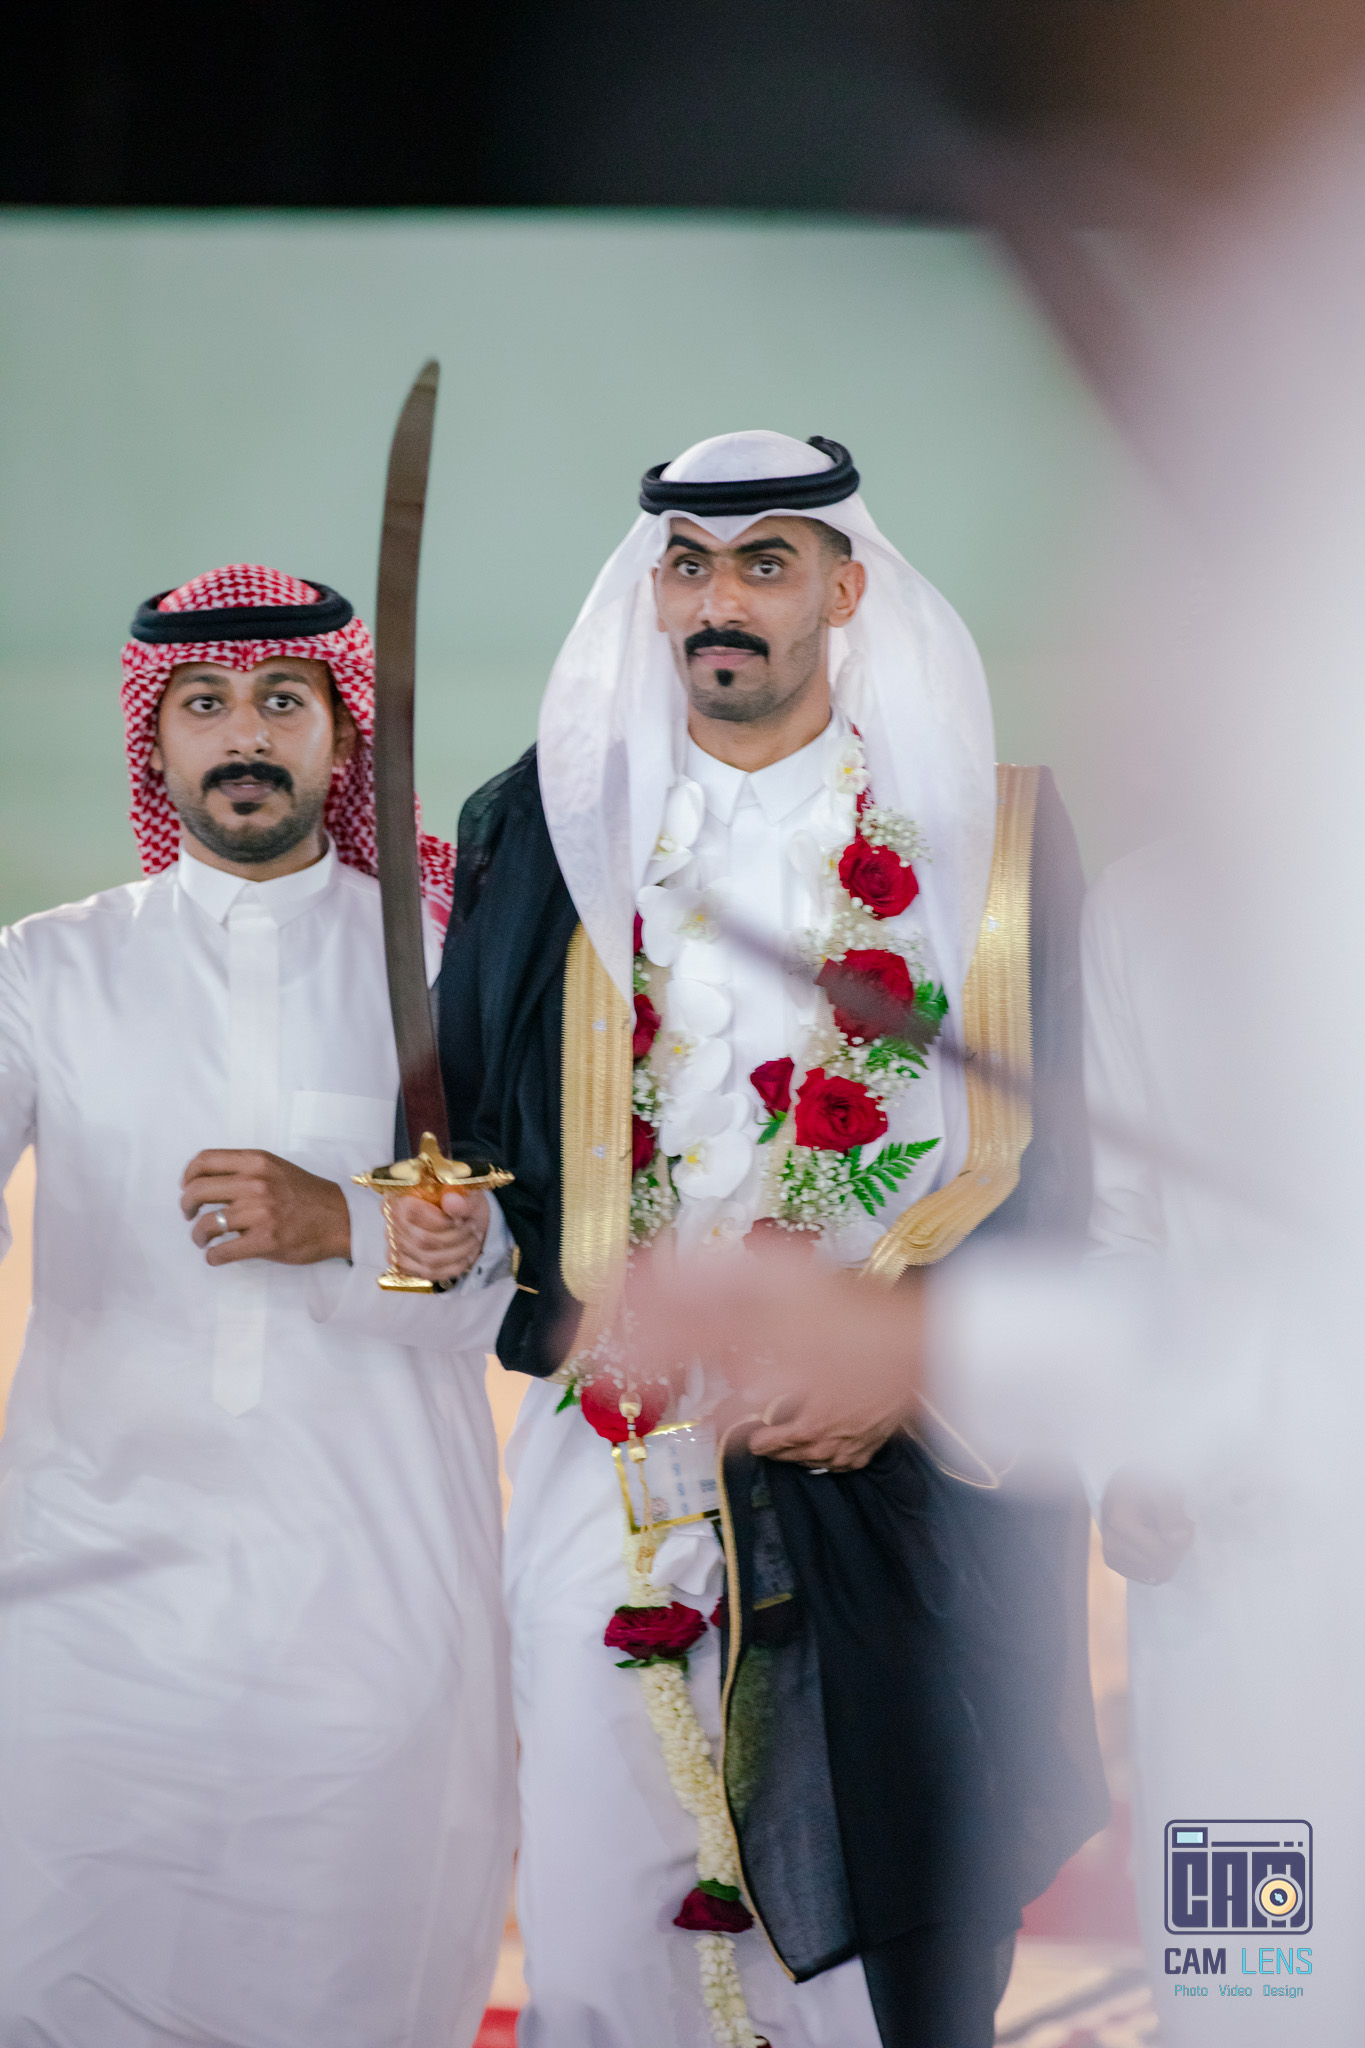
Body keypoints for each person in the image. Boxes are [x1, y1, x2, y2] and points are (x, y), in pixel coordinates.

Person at [392, 432, 1107, 2048]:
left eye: (766, 564)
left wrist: (910, 1370)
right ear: (653, 595)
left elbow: (1059, 1166)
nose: (721, 601)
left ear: (843, 591)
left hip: (895, 1453)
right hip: (614, 1454)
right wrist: (455, 1227)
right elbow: (479, 1133)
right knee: (599, 1920)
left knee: (878, 1933)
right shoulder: (549, 834)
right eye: (690, 567)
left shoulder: (987, 843)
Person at [0, 564, 516, 2048]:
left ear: (342, 735)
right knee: (53, 1981)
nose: (245, 734)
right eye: (205, 705)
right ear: (152, 742)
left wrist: (344, 1221)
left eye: (283, 701)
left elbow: (531, 1272)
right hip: (86, 1605)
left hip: (366, 1605)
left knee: (344, 1993)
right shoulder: (49, 967)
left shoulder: (445, 964)